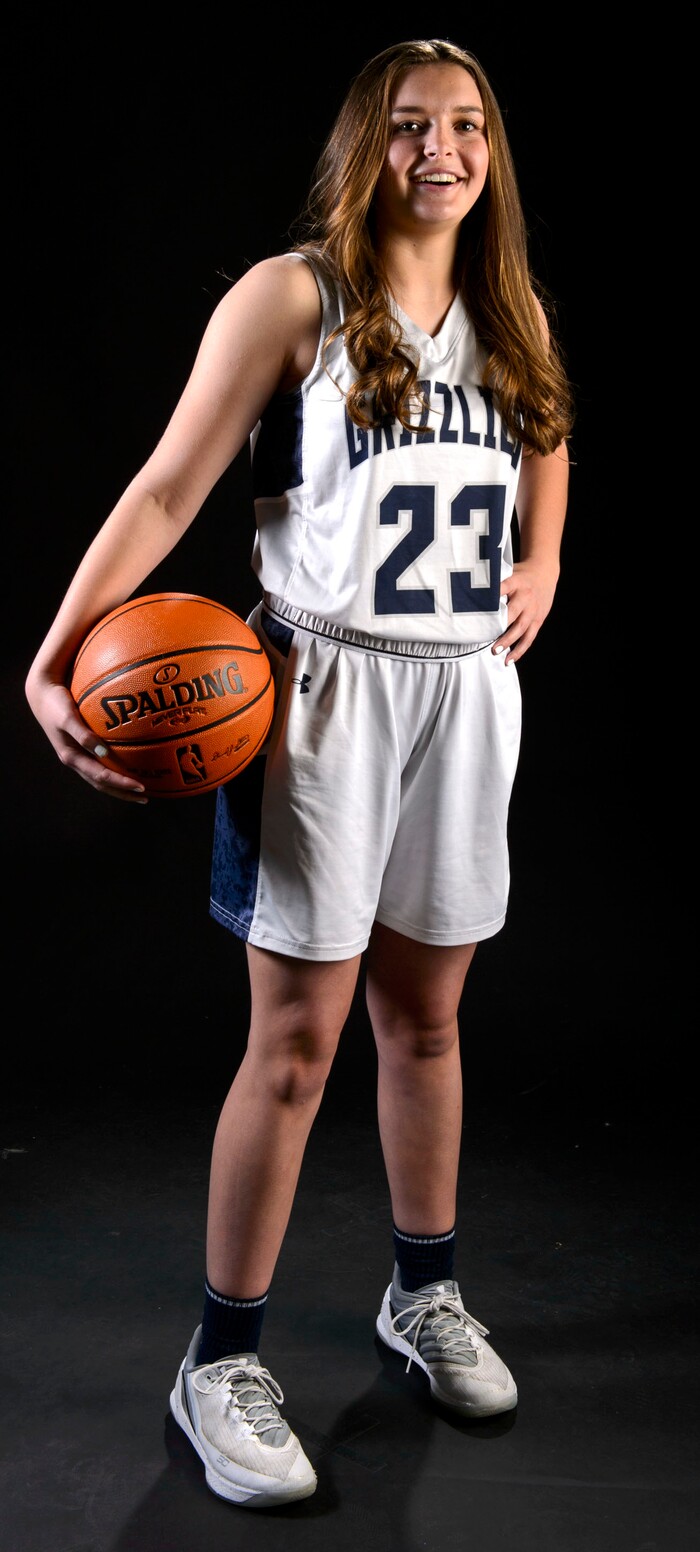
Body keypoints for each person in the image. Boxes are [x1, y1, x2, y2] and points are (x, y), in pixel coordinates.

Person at [25, 38, 574, 1510]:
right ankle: (219, 1363)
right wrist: (57, 649)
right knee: (297, 1043)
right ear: (366, 144)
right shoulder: (292, 296)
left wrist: (546, 557)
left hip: (464, 696)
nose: (441, 151)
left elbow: (549, 433)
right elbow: (167, 483)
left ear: (491, 150)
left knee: (431, 1023)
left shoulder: (505, 305)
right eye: (410, 127)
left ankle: (424, 1296)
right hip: (322, 692)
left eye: (466, 126)